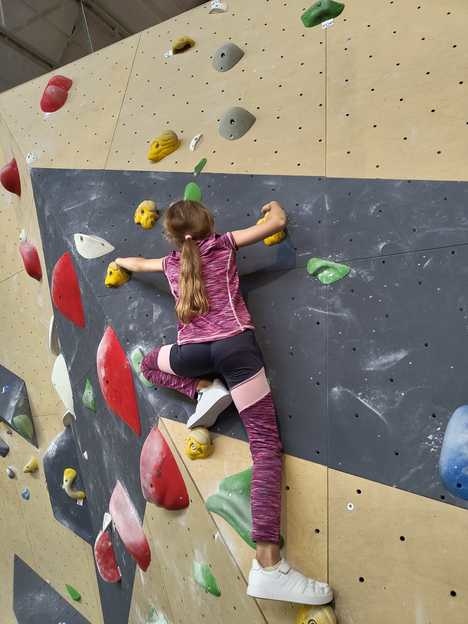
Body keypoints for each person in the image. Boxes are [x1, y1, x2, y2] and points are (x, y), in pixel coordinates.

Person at [115, 199, 333, 605]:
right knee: (266, 448)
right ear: (210, 225)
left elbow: (136, 262)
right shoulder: (225, 243)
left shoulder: (167, 264)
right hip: (236, 351)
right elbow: (276, 223)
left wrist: (124, 263)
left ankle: (202, 390)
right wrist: (271, 208)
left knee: (148, 363)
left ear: (172, 239)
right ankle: (268, 562)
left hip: (191, 355)